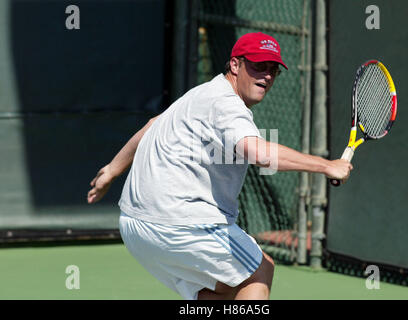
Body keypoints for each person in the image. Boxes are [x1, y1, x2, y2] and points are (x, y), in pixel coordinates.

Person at [87, 32, 352, 300]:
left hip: (135, 227)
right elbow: (258, 153)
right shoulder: (226, 103)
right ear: (235, 65)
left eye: (273, 70)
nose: (267, 76)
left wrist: (111, 170)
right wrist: (327, 166)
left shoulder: (201, 94)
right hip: (180, 222)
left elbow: (153, 124)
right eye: (258, 66)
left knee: (214, 292)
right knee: (260, 270)